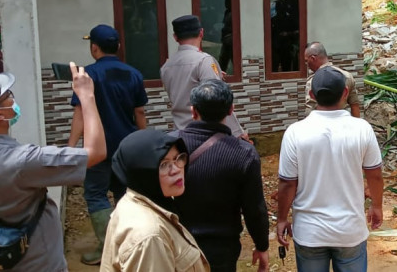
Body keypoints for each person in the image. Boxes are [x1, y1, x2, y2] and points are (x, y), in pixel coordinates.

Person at [0, 63, 107, 271]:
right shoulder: (22, 161)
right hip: (38, 264)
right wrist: (86, 96)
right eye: (8, 96)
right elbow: (96, 152)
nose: (13, 99)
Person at [277, 67, 383, 272]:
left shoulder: (295, 133)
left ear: (312, 95)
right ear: (345, 93)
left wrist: (282, 218)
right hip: (350, 231)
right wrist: (376, 206)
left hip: (310, 233)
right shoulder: (362, 129)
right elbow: (375, 175)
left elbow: (287, 183)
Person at [67, 24, 148, 265]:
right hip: (127, 147)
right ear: (119, 47)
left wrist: (71, 148)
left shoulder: (86, 75)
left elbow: (80, 114)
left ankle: (108, 249)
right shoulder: (133, 73)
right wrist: (143, 142)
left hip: (97, 149)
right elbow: (140, 112)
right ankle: (129, 248)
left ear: (94, 48)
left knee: (95, 193)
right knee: (125, 195)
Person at [175, 80, 269, 272]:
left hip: (176, 243)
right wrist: (262, 246)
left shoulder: (168, 145)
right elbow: (254, 209)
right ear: (230, 110)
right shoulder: (244, 153)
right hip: (222, 249)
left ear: (193, 111)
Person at [101, 129, 209, 272]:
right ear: (142, 173)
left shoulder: (134, 199)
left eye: (178, 158)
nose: (176, 169)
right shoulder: (150, 237)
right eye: (163, 164)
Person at [161, 14, 244, 138]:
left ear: (175, 37)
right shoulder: (204, 61)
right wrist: (238, 133)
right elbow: (218, 101)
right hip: (204, 135)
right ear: (201, 32)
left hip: (179, 134)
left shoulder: (166, 66)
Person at [304, 42, 361, 117]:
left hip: (322, 126)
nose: (306, 64)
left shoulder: (313, 81)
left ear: (313, 58)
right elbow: (355, 106)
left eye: (306, 61)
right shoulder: (347, 76)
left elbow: (309, 112)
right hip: (345, 125)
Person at [218, 0, 233, 72]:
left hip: (231, 40)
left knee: (227, 60)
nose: (225, 4)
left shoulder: (233, 13)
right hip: (227, 40)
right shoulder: (227, 12)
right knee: (223, 61)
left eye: (227, 1)